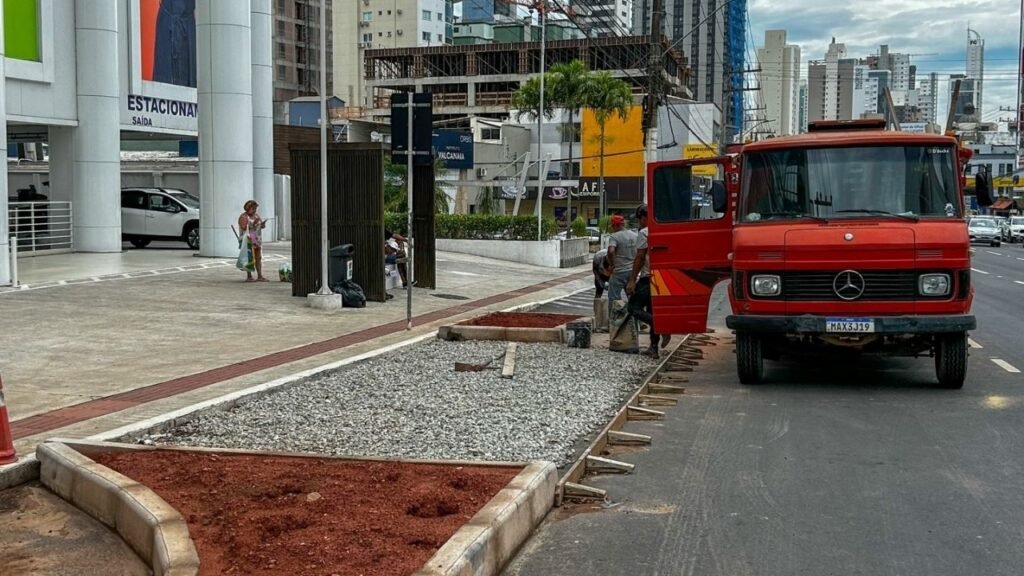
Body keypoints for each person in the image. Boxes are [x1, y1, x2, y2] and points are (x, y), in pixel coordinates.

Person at [626, 204, 670, 357]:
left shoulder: (644, 233)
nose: (639, 223)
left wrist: (632, 280)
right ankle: (654, 348)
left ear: (644, 217)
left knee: (633, 308)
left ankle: (662, 327)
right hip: (663, 277)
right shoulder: (664, 229)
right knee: (652, 310)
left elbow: (639, 257)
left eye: (639, 219)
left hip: (648, 278)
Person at [604, 214, 637, 306]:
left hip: (619, 271)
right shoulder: (635, 235)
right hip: (633, 271)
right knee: (632, 298)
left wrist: (612, 265)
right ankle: (633, 319)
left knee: (613, 298)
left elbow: (611, 251)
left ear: (615, 225)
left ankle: (614, 318)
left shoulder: (615, 236)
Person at [237, 200, 267, 282]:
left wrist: (262, 224)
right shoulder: (243, 217)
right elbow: (243, 227)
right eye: (253, 208)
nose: (254, 210)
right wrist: (253, 224)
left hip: (256, 238)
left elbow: (261, 226)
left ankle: (260, 275)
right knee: (249, 257)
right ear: (248, 208)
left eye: (255, 208)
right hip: (248, 238)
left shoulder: (256, 215)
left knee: (258, 257)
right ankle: (249, 276)